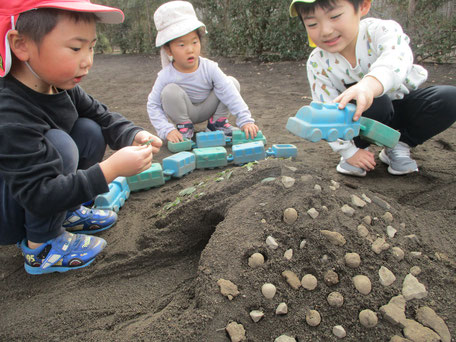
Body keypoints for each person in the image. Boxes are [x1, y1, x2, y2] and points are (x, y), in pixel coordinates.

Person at [0, 0, 162, 275]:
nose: (87, 60)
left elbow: (99, 114)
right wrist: (109, 170)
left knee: (88, 129)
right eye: (76, 48)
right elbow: (39, 193)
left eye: (92, 47)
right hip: (14, 208)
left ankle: (67, 212)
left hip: (38, 193)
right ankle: (42, 246)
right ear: (21, 45)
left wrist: (130, 133)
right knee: (60, 144)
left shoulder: (58, 85)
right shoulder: (10, 111)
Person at [289, 0, 456, 176]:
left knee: (450, 98)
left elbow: (397, 58)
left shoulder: (381, 31)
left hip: (400, 105)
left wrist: (369, 85)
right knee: (376, 103)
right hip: (359, 121)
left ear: (363, 6)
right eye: (312, 24)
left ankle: (399, 145)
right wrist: (348, 152)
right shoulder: (318, 62)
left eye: (335, 16)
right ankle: (360, 148)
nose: (326, 30)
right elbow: (326, 110)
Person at [147, 0, 260, 143]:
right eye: (181, 45)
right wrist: (167, 129)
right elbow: (153, 105)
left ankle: (217, 124)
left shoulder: (210, 67)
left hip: (208, 108)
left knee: (231, 83)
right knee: (169, 91)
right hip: (185, 113)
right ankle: (184, 128)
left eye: (194, 42)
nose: (190, 49)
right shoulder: (165, 75)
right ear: (168, 50)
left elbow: (228, 91)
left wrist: (245, 119)